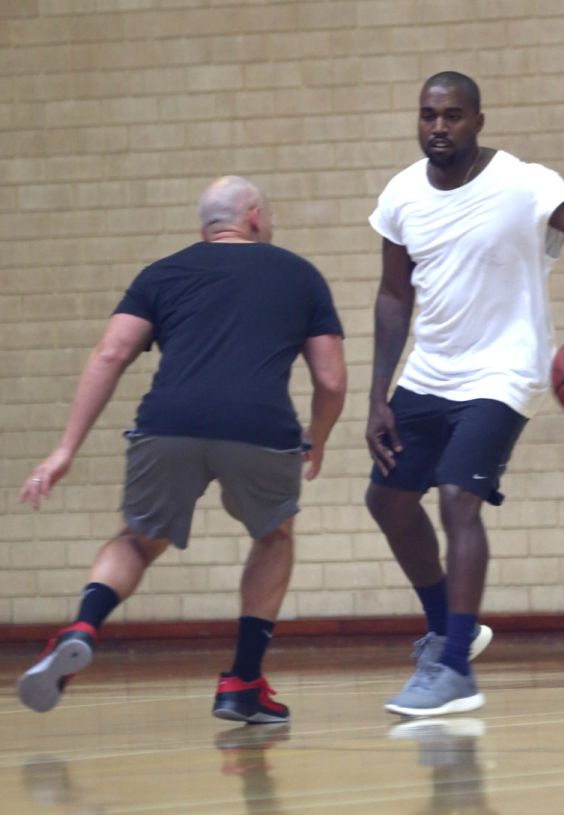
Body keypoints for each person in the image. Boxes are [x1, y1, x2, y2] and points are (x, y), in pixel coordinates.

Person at [365, 71, 564, 717]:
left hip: (504, 371)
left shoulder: (525, 182)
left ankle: (457, 669)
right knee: (387, 497)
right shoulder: (402, 194)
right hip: (430, 370)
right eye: (428, 115)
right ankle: (447, 627)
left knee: (460, 502)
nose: (439, 126)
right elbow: (392, 295)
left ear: (479, 122)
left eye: (453, 115)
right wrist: (378, 393)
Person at [17, 175, 346, 723]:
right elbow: (331, 380)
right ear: (257, 218)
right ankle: (243, 681)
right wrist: (319, 437)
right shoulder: (299, 274)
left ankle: (81, 627)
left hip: (168, 421)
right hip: (260, 427)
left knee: (138, 540)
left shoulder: (162, 272)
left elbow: (110, 354)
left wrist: (64, 450)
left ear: (205, 228)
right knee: (273, 536)